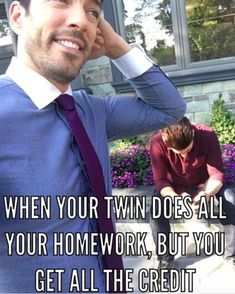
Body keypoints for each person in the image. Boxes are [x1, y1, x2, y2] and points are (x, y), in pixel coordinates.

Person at [0, 0, 186, 293]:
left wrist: (116, 47)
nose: (82, 20)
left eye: (93, 13)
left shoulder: (92, 111)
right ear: (18, 16)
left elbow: (169, 110)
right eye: (62, 2)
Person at [150, 116, 235, 270]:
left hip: (205, 185)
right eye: (178, 152)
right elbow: (161, 180)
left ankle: (232, 255)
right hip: (174, 188)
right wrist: (174, 198)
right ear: (165, 139)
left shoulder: (207, 135)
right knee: (156, 207)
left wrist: (206, 194)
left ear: (193, 135)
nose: (184, 155)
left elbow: (217, 174)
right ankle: (165, 259)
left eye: (188, 150)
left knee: (230, 199)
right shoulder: (157, 142)